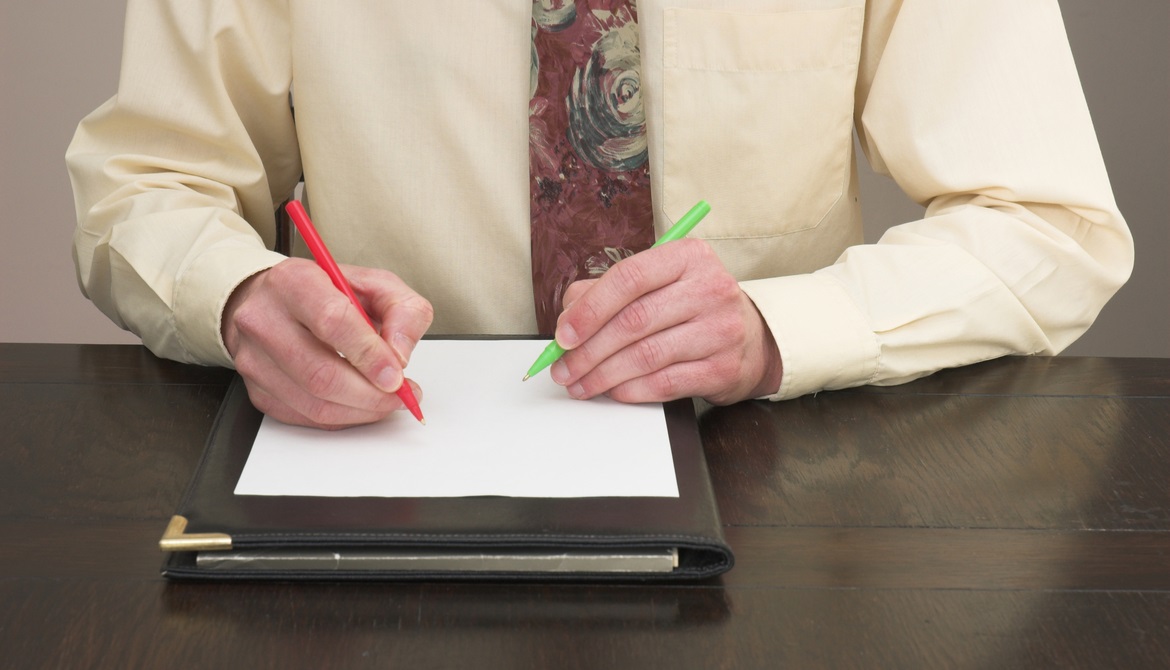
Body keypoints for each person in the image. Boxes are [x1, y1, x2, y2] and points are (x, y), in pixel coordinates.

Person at [67, 1, 1133, 430]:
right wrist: (240, 290)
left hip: (773, 496)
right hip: (385, 475)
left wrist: (775, 330)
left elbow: (1050, 223)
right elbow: (146, 179)